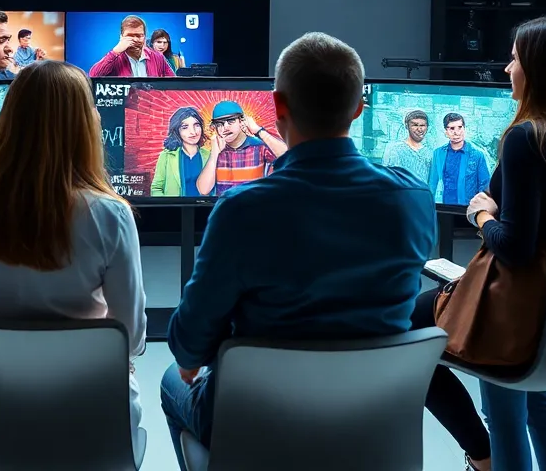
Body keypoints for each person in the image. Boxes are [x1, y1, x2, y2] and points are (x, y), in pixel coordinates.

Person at [162, 33, 437, 469]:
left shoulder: (242, 211)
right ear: (358, 108)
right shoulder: (413, 198)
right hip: (367, 418)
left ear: (278, 107)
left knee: (171, 381)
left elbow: (187, 343)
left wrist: (194, 359)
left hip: (259, 418)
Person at [415, 15, 546, 471]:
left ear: (539, 70)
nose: (507, 69)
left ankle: (482, 452)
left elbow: (515, 247)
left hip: (519, 303)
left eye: (514, 59)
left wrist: (482, 214)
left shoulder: (525, 138)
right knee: (542, 408)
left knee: (405, 329)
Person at [0, 60, 147, 455]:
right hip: (89, 412)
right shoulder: (109, 212)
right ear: (85, 125)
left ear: (9, 121)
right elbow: (133, 337)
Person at [194, 100, 286, 197]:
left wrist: (259, 131)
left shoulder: (259, 146)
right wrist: (214, 154)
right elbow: (203, 190)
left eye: (230, 121)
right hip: (225, 210)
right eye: (219, 124)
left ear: (242, 121)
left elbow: (290, 155)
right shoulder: (215, 151)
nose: (225, 127)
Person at [429, 113, 491, 206]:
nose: (456, 132)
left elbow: (484, 184)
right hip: (445, 207)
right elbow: (432, 183)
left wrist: (480, 209)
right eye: (452, 128)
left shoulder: (477, 155)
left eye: (460, 127)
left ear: (464, 128)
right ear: (446, 131)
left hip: (468, 209)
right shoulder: (438, 153)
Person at [88, 15, 176, 78]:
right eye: (129, 35)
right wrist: (115, 52)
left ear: (144, 37)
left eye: (139, 36)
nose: (135, 40)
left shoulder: (158, 57)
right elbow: (93, 76)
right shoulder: (114, 59)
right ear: (121, 37)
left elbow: (173, 86)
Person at [151, 106, 210, 197]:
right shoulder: (166, 156)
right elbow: (156, 188)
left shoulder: (209, 156)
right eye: (185, 127)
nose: (193, 132)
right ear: (177, 131)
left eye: (196, 125)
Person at [382, 109, 430, 182]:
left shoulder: (430, 153)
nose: (419, 129)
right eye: (415, 125)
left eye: (422, 125)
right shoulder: (395, 150)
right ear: (407, 126)